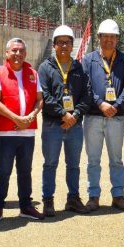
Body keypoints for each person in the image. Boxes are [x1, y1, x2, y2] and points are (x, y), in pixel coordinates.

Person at [0, 38, 45, 223]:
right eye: (14, 50)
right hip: (5, 133)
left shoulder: (33, 74)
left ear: (25, 54)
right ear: (6, 53)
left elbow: (39, 99)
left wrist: (30, 117)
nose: (18, 54)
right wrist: (17, 119)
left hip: (27, 132)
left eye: (21, 51)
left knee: (25, 171)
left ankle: (26, 206)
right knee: (3, 172)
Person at [38, 26, 92, 216]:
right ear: (53, 45)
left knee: (74, 165)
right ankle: (48, 201)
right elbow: (45, 96)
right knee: (50, 164)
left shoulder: (79, 67)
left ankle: (73, 199)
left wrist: (75, 115)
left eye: (67, 42)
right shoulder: (45, 68)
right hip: (53, 124)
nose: (64, 46)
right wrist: (63, 114)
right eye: (60, 42)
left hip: (75, 125)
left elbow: (87, 95)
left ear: (71, 45)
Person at [82, 19, 124, 212]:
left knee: (116, 159)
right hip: (94, 116)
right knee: (93, 159)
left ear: (117, 39)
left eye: (112, 37)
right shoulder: (88, 60)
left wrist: (117, 104)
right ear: (99, 38)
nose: (109, 40)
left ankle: (118, 195)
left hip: (116, 117)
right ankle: (93, 196)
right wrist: (100, 103)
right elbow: (85, 86)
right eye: (105, 37)